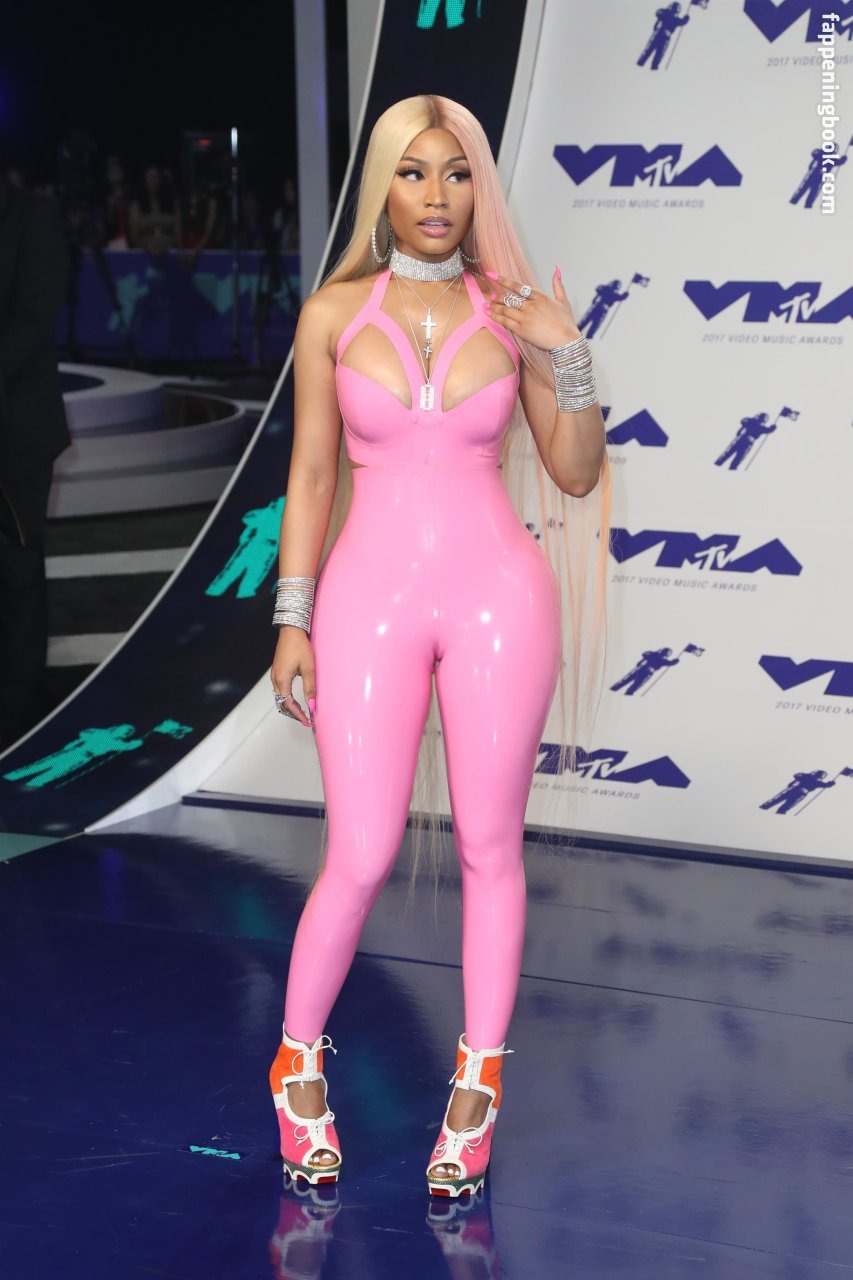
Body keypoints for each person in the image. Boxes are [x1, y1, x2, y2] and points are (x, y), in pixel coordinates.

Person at [267, 95, 610, 1197]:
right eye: (413, 173)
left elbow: (574, 474)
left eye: (456, 173)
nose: (435, 195)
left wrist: (568, 354)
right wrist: (291, 616)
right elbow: (310, 474)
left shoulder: (512, 311)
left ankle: (477, 1086)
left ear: (479, 187)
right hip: (364, 601)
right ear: (383, 185)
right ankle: (295, 1062)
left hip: (499, 600)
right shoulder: (332, 313)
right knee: (360, 854)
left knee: (488, 848)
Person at [0, 177, 70, 752]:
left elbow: (34, 318)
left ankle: (18, 715)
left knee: (16, 567)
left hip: (16, 429)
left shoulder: (33, 215)